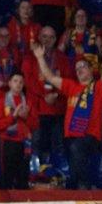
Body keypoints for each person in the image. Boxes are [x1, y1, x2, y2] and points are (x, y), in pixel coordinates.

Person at [30, 33, 102, 190]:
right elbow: (50, 77)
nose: (79, 70)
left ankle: (87, 186)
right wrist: (40, 57)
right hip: (69, 136)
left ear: (91, 69)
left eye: (82, 67)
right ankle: (78, 190)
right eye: (76, 68)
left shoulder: (97, 87)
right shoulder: (72, 86)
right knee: (73, 165)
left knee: (77, 152)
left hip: (89, 136)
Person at [24, 25, 72, 165]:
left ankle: (59, 176)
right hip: (37, 108)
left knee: (58, 144)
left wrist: (56, 95)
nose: (47, 40)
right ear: (39, 37)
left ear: (56, 39)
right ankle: (34, 176)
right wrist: (43, 95)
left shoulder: (63, 59)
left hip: (57, 108)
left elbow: (68, 80)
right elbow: (28, 80)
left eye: (51, 37)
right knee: (36, 143)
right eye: (44, 36)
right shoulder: (29, 57)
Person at [0, 72, 34, 190]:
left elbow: (35, 125)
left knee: (23, 179)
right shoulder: (1, 102)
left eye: (21, 82)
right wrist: (13, 117)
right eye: (15, 81)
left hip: (25, 143)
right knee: (7, 178)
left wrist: (26, 117)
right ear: (10, 83)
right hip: (8, 142)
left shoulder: (28, 102)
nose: (18, 84)